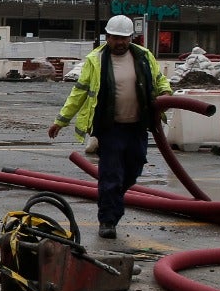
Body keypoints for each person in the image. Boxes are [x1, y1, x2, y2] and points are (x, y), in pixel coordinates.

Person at [48, 14, 173, 239]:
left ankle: (113, 201)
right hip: (110, 128)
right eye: (115, 38)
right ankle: (107, 220)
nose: (120, 42)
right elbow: (79, 92)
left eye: (124, 38)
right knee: (111, 175)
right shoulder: (96, 60)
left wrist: (165, 92)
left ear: (131, 38)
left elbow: (158, 79)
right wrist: (61, 120)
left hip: (137, 127)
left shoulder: (143, 56)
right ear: (108, 37)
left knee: (133, 171)